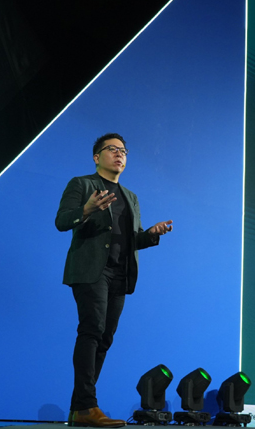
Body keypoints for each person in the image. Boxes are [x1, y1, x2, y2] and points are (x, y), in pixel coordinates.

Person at [55, 133, 172, 427]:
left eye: (123, 151)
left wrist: (151, 235)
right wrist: (87, 209)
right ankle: (87, 406)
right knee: (92, 331)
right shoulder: (82, 184)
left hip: (121, 274)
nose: (120, 154)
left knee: (105, 338)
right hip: (91, 271)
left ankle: (80, 409)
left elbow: (132, 240)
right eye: (112, 149)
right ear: (97, 157)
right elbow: (61, 221)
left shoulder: (130, 197)